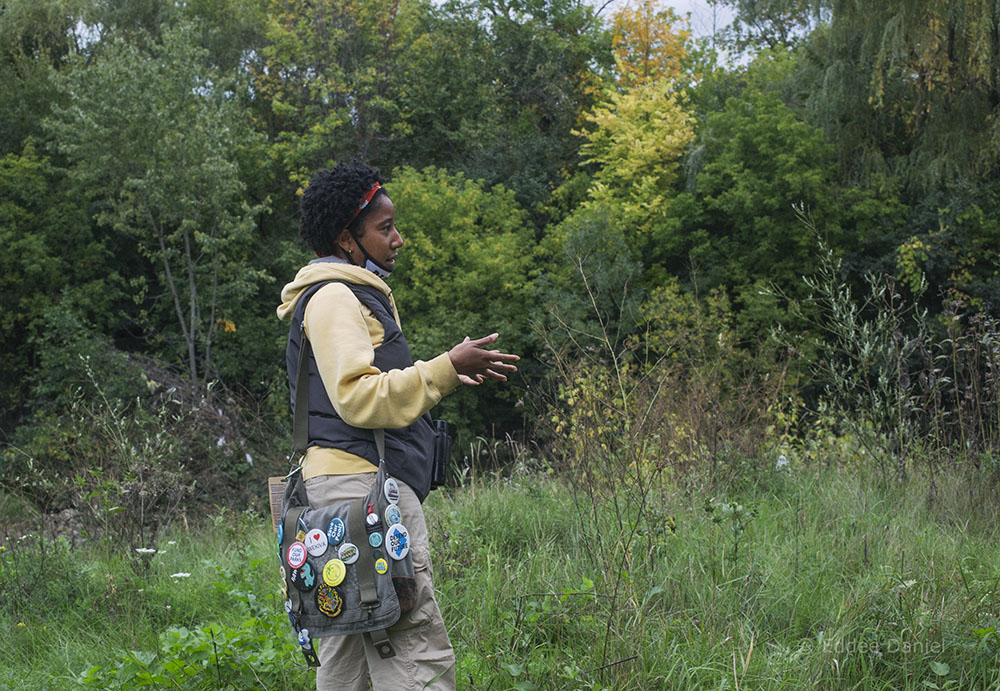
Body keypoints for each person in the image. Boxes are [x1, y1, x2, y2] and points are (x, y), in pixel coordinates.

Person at [276, 161, 519, 690]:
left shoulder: (339, 293)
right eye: (384, 228)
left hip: (336, 495)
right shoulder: (336, 296)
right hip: (365, 494)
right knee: (415, 655)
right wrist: (447, 367)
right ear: (346, 237)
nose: (398, 239)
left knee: (349, 659)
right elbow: (358, 398)